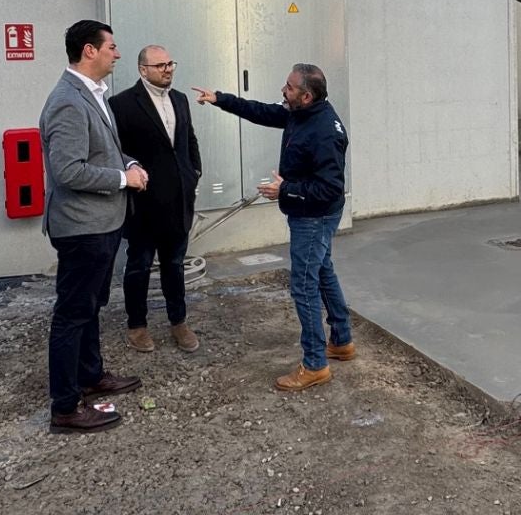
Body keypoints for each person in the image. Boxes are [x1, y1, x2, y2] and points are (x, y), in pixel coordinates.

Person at [193, 64, 352, 392]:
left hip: (314, 216)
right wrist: (220, 99)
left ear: (307, 96)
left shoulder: (324, 131)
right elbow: (262, 112)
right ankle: (342, 341)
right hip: (311, 213)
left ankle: (315, 364)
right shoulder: (300, 112)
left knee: (304, 285)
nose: (284, 90)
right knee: (322, 271)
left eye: (290, 88)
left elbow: (331, 188)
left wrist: (287, 190)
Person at [38, 20, 146, 433]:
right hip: (83, 228)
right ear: (89, 50)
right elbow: (68, 170)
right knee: (72, 313)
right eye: (112, 47)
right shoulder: (68, 100)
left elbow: (102, 152)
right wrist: (124, 179)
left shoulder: (91, 95)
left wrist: (129, 163)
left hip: (102, 224)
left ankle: (91, 375)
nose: (117, 54)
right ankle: (65, 406)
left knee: (90, 307)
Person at [109, 45, 202, 354]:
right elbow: (115, 151)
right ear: (143, 70)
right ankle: (137, 326)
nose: (168, 69)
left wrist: (193, 173)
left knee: (174, 264)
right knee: (139, 265)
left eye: (170, 63)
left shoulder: (180, 100)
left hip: (178, 201)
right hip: (144, 204)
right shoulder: (121, 104)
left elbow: (189, 141)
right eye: (160, 65)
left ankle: (179, 322)